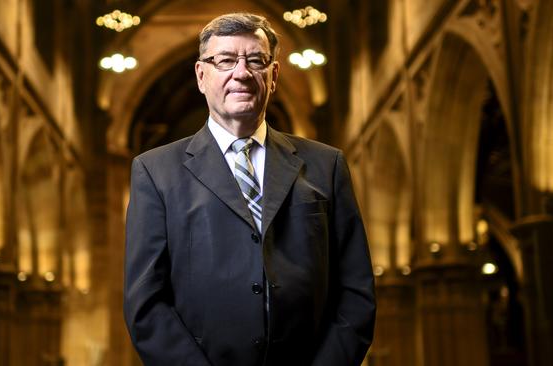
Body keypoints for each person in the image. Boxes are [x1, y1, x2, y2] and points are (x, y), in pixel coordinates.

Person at [124, 12, 375, 366]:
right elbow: (146, 304)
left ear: (272, 75)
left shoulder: (326, 165)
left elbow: (356, 291)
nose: (240, 73)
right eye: (225, 60)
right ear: (201, 75)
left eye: (255, 60)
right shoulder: (154, 171)